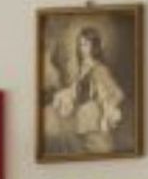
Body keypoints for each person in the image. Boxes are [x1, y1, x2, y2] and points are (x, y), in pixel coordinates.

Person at [46, 21, 126, 156]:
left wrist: (106, 109)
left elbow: (118, 94)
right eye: (80, 44)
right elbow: (76, 91)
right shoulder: (84, 67)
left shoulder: (99, 69)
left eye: (85, 45)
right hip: (82, 118)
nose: (81, 48)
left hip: (93, 119)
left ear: (94, 46)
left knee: (99, 152)